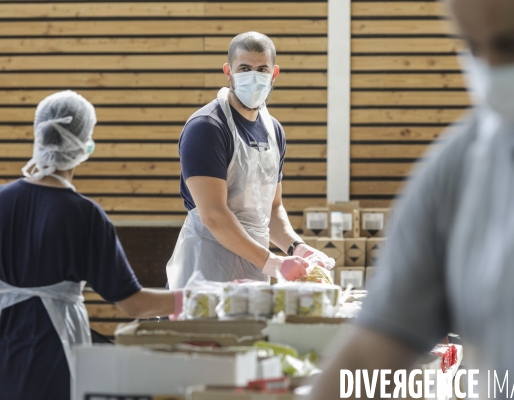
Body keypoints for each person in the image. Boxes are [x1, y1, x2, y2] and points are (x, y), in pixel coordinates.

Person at [310, 0, 514, 398]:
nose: (495, 73)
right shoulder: (464, 168)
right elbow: (368, 356)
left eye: (512, 45)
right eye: (474, 48)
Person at [0, 91, 184, 400]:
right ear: (84, 145)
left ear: (39, 133)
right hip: (53, 354)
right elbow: (133, 303)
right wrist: (195, 297)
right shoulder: (83, 215)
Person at [166, 32, 334, 289]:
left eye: (261, 69)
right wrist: (272, 263)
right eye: (245, 69)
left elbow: (273, 208)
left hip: (255, 267)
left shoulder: (273, 130)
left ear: (274, 73)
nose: (254, 77)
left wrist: (296, 248)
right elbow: (214, 215)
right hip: (205, 268)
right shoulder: (207, 127)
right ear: (228, 71)